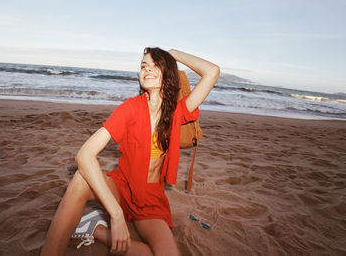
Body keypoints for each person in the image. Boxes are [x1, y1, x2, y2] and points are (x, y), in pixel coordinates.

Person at [41, 47, 219, 255]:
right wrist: (116, 215)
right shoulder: (130, 108)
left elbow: (212, 71)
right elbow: (84, 154)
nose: (147, 70)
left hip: (151, 202)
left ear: (168, 72)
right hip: (122, 190)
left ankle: (96, 230)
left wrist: (173, 54)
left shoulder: (177, 111)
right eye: (144, 66)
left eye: (155, 65)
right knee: (81, 178)